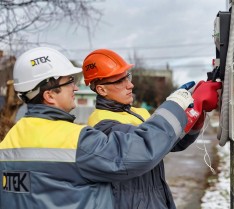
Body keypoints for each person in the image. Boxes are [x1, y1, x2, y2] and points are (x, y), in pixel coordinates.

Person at [0, 47, 203, 209]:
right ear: (50, 95)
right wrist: (175, 105)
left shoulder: (8, 142)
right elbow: (139, 151)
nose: (76, 87)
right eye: (69, 81)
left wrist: (196, 116)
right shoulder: (76, 140)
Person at [82, 48, 222, 209]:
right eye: (120, 81)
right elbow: (148, 146)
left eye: (127, 76)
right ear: (101, 89)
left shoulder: (137, 113)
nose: (130, 85)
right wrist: (175, 105)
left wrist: (196, 113)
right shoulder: (102, 125)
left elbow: (169, 142)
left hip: (155, 198)